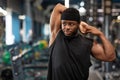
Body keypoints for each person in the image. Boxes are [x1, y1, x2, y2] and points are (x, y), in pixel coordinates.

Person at [47, 3, 116, 80]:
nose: (67, 27)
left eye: (71, 24)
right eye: (64, 24)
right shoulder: (56, 36)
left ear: (77, 24)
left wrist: (100, 34)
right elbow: (58, 7)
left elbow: (110, 57)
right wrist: (76, 18)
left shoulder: (87, 43)